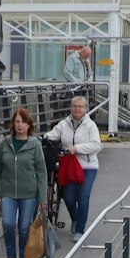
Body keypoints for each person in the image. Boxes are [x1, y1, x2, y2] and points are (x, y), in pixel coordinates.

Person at [0, 107, 49, 258]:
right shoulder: (5, 143)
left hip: (29, 194)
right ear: (13, 124)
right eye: (17, 122)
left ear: (29, 125)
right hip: (8, 192)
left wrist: (43, 198)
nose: (20, 125)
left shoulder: (35, 145)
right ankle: (11, 256)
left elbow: (41, 172)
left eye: (23, 122)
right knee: (8, 224)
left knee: (24, 228)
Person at [46, 95, 103, 237]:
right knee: (68, 197)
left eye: (80, 107)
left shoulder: (90, 126)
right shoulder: (63, 124)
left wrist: (77, 148)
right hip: (69, 166)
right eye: (75, 106)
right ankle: (76, 219)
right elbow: (51, 135)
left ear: (85, 109)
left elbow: (97, 145)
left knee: (83, 197)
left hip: (87, 166)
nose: (77, 109)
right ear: (71, 108)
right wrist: (43, 139)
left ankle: (80, 230)